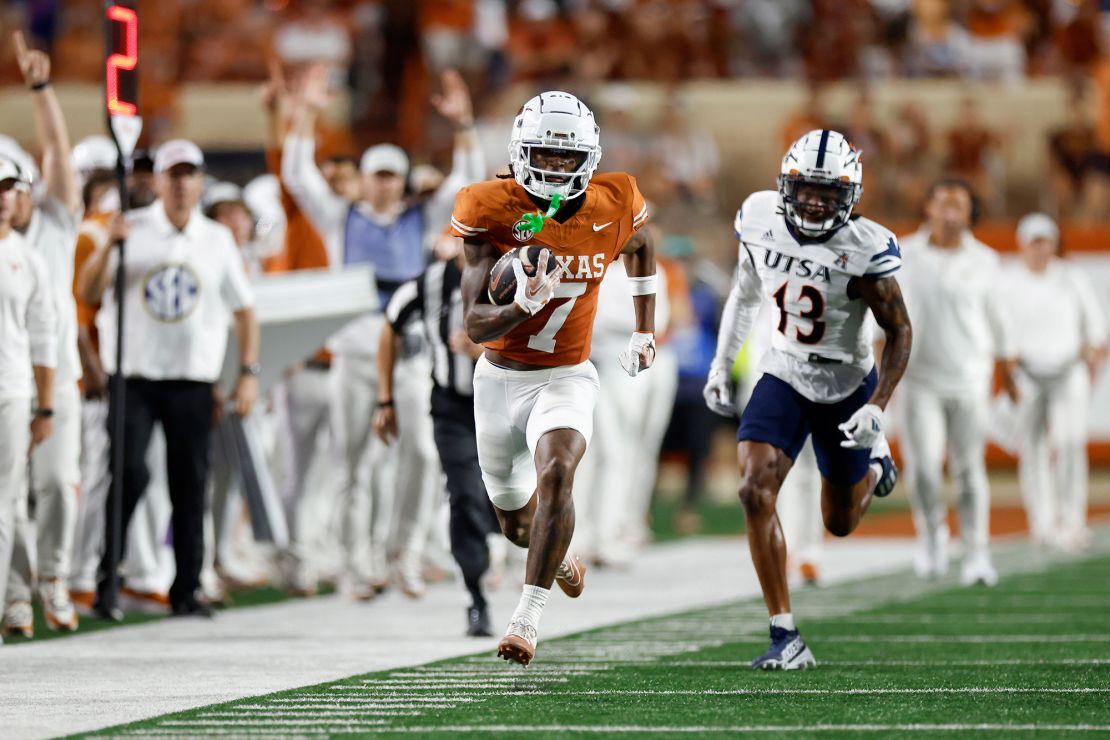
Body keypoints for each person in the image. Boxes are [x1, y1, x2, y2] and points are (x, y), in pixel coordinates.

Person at [452, 91, 656, 665]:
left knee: (559, 469)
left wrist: (646, 327)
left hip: (566, 375)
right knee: (518, 523)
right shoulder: (490, 207)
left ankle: (526, 617)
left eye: (569, 158)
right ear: (521, 152)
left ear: (589, 157)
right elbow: (473, 323)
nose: (558, 168)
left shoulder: (615, 200)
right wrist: (521, 307)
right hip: (499, 378)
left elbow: (640, 248)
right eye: (547, 154)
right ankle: (557, 555)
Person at [703, 129, 910, 670]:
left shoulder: (867, 247)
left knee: (839, 522)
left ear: (850, 197)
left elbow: (902, 331)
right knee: (753, 488)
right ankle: (784, 634)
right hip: (785, 368)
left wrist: (876, 408)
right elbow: (745, 295)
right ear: (785, 186)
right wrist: (722, 363)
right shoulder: (758, 216)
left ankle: (876, 458)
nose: (815, 202)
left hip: (847, 382)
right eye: (805, 189)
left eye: (827, 193)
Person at [282, 65, 483, 597]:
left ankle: (404, 553)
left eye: (393, 175)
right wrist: (304, 112)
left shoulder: (420, 219)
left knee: (420, 452)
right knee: (351, 459)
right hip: (353, 350)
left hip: (411, 349)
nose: (386, 183)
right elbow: (298, 175)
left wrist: (463, 124)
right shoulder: (339, 217)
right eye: (378, 174)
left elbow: (468, 180)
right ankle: (353, 562)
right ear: (365, 178)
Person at [77, 139, 260, 619]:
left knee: (190, 483)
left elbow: (245, 312)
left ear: (200, 181)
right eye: (173, 175)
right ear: (158, 181)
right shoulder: (129, 228)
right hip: (134, 375)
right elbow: (89, 292)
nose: (181, 184)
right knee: (128, 475)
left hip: (191, 379)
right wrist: (108, 249)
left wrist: (247, 373)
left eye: (189, 174)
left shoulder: (217, 238)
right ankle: (107, 580)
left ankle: (186, 589)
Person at [374, 233, 500, 636]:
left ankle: (504, 550)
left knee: (502, 493)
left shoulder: (512, 273)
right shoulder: (429, 283)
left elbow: (541, 335)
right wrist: (385, 400)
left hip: (504, 399)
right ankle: (475, 596)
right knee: (463, 492)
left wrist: (488, 350)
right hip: (452, 405)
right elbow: (390, 325)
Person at [897, 177, 1016, 587]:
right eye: (942, 203)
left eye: (959, 205)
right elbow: (883, 318)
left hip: (969, 377)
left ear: (970, 213)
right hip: (918, 379)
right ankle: (931, 537)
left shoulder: (985, 260)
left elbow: (999, 321)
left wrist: (1009, 379)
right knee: (925, 468)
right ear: (927, 207)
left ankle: (977, 552)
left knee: (969, 470)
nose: (950, 212)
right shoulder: (903, 254)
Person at [3, 32, 83, 638]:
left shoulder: (55, 221)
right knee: (10, 494)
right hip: (10, 378)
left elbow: (57, 147)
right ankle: (16, 596)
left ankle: (52, 577)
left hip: (58, 376)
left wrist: (41, 89)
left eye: (14, 186)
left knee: (55, 482)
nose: (9, 199)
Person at [996, 214, 1106, 551]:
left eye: (1046, 241)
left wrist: (1091, 352)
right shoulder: (1007, 281)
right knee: (1033, 449)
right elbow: (998, 331)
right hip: (1027, 374)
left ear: (1054, 244)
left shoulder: (1071, 278)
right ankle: (1041, 524)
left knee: (1071, 443)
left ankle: (1072, 521)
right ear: (1022, 244)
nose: (1040, 249)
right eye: (1034, 241)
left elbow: (1096, 327)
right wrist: (1007, 366)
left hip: (1068, 369)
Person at [0, 157, 57, 644]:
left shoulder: (28, 257)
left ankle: (10, 599)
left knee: (3, 501)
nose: (2, 196)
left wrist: (46, 405)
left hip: (12, 390)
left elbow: (44, 336)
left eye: (8, 187)